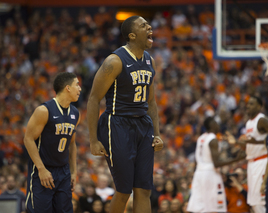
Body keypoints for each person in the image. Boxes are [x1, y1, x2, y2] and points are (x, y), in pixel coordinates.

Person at [87, 15, 164, 213]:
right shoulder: (115, 61)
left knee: (144, 190)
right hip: (118, 124)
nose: (149, 27)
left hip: (143, 125)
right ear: (132, 35)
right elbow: (94, 99)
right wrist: (94, 140)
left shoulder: (150, 61)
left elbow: (151, 102)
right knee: (124, 190)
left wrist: (156, 134)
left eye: (149, 24)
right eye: (143, 25)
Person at [24, 72, 81, 213]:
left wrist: (73, 172)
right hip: (43, 170)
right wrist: (41, 169)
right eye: (77, 85)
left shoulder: (75, 113)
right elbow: (28, 139)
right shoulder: (44, 110)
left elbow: (72, 144)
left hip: (63, 171)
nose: (80, 89)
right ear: (67, 88)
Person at [187, 116, 246, 213]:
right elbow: (216, 163)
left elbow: (196, 161)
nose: (218, 125)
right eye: (216, 123)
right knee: (214, 208)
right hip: (210, 174)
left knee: (200, 208)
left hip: (199, 174)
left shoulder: (201, 138)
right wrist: (236, 159)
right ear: (212, 125)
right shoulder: (213, 139)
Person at [240, 96, 268, 213]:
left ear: (259, 106)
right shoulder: (248, 123)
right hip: (252, 163)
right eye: (248, 104)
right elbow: (251, 144)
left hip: (262, 162)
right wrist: (237, 143)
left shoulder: (261, 120)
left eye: (252, 104)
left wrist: (256, 142)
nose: (248, 106)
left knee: (261, 201)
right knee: (254, 202)